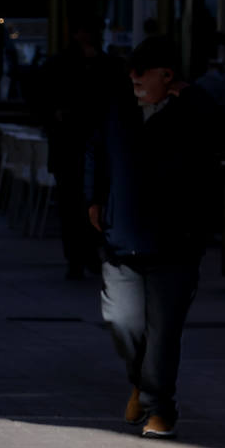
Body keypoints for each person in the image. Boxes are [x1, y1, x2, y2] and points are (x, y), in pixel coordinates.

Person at [85, 36, 225, 439]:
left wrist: (193, 95)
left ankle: (158, 407)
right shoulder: (119, 107)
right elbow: (97, 150)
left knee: (164, 332)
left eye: (142, 73)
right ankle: (144, 385)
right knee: (121, 320)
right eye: (130, 72)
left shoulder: (193, 110)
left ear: (167, 76)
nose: (133, 79)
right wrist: (94, 198)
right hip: (123, 238)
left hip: (176, 241)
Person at [35, 15, 128, 279]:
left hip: (93, 144)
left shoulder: (106, 65)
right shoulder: (63, 65)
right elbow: (42, 99)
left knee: (93, 202)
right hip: (71, 144)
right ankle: (77, 257)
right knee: (72, 205)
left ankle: (89, 255)